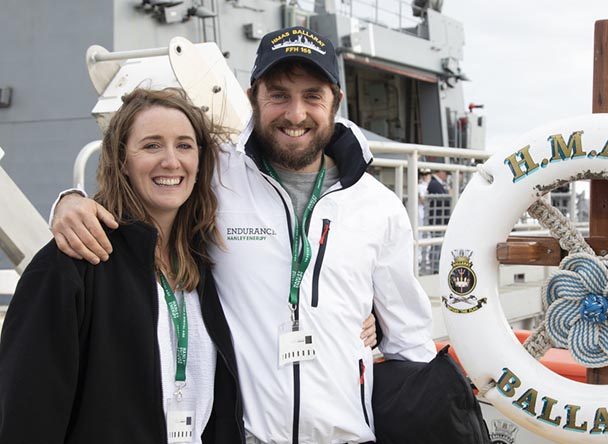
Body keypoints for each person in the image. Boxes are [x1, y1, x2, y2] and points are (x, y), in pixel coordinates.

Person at [50, 26, 435, 444]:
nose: (295, 113)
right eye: (279, 95)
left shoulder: (378, 207)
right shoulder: (216, 174)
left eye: (312, 96)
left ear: (336, 102)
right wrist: (70, 201)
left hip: (348, 436)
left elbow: (409, 340)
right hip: (244, 435)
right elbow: (143, 194)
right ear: (253, 97)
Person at [0, 88, 244, 443]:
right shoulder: (73, 263)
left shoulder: (206, 266)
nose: (172, 161)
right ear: (122, 160)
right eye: (151, 145)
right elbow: (26, 413)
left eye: (184, 145)